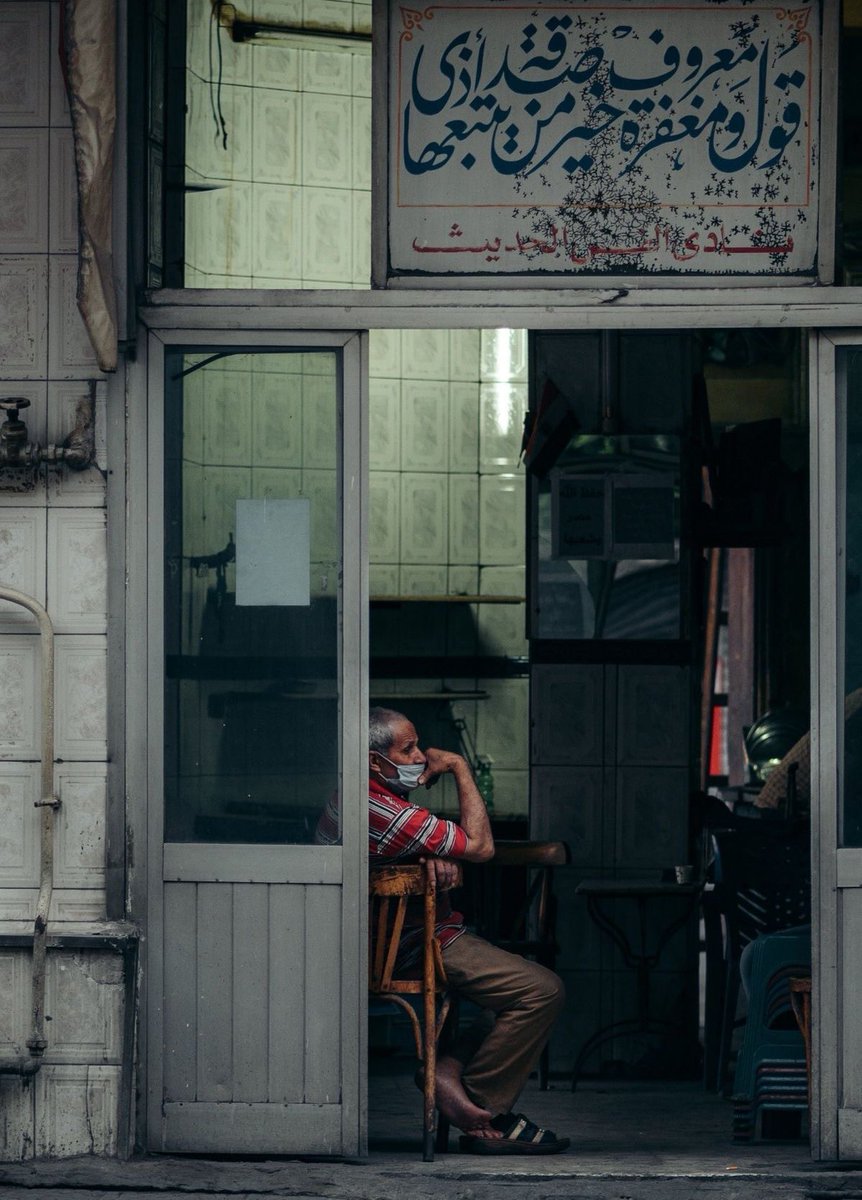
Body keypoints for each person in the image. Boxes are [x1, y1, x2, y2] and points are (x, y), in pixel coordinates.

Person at [318, 706, 568, 1155]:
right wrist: (457, 765)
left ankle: (445, 1072)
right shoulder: (380, 809)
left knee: (502, 1006)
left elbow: (412, 844)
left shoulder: (360, 797)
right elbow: (482, 846)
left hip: (399, 938)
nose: (420, 756)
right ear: (376, 762)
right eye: (408, 748)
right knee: (541, 990)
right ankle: (478, 1106)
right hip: (413, 946)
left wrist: (428, 855)